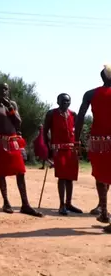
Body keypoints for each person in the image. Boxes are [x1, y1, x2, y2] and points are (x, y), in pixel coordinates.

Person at [0, 83, 42, 217]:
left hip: (14, 142)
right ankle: (6, 202)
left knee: (20, 172)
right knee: (1, 173)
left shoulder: (12, 105)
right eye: (0, 89)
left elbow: (17, 122)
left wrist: (9, 107)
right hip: (0, 143)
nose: (3, 91)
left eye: (6, 89)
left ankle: (25, 204)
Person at [75, 65, 111, 231]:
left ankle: (104, 211)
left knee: (100, 174)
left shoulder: (90, 94)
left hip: (98, 141)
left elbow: (81, 116)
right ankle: (103, 212)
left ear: (102, 77)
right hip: (100, 141)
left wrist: (76, 139)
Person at [43, 93, 82, 216]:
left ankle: (69, 203)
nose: (66, 103)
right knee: (62, 177)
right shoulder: (51, 114)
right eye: (63, 101)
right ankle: (61, 205)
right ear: (58, 101)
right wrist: (48, 148)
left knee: (70, 177)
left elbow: (76, 131)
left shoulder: (73, 114)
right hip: (58, 150)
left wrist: (77, 146)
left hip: (71, 150)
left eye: (68, 101)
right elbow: (45, 131)